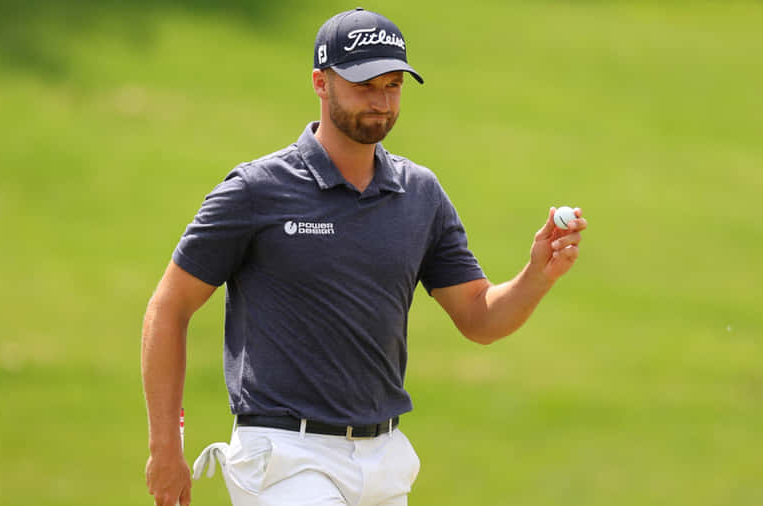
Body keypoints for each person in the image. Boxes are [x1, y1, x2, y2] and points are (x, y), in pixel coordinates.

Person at [141, 7, 587, 506]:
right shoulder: (256, 191)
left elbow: (478, 317)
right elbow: (169, 306)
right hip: (287, 457)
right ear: (320, 82)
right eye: (364, 84)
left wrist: (537, 274)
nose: (381, 101)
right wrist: (166, 446)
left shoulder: (421, 195)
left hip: (384, 461)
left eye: (393, 85)